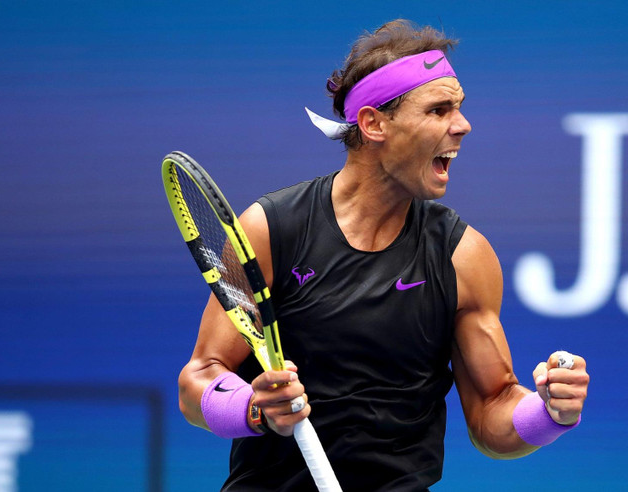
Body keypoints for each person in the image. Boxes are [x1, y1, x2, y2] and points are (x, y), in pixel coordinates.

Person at [178, 19, 590, 491]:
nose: (463, 125)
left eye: (459, 108)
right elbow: (198, 382)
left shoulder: (464, 257)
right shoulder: (270, 231)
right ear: (374, 124)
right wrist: (253, 408)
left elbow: (492, 412)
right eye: (439, 110)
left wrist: (550, 412)